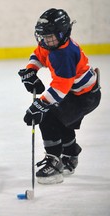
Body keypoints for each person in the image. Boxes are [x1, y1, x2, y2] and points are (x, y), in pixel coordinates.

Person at [18, 8, 101, 184]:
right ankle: (70, 156)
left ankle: (54, 163)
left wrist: (40, 105)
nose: (46, 40)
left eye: (50, 36)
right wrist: (30, 71)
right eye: (43, 36)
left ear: (64, 33)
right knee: (60, 117)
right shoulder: (52, 43)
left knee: (48, 117)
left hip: (84, 96)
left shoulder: (64, 54)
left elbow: (61, 87)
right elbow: (38, 54)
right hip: (75, 93)